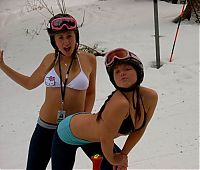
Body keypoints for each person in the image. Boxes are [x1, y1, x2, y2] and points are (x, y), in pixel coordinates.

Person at [0, 13, 114, 170]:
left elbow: (90, 92)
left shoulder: (89, 60)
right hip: (46, 127)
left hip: (74, 128)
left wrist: (84, 118)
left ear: (76, 36)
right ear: (54, 41)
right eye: (60, 37)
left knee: (111, 162)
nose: (66, 42)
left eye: (69, 36)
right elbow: (29, 83)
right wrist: (3, 66)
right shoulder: (49, 59)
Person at [51, 48, 158, 169]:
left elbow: (139, 130)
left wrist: (123, 155)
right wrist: (114, 159)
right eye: (117, 72)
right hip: (67, 133)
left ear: (138, 71)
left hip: (95, 137)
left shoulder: (150, 97)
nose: (122, 73)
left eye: (127, 69)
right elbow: (106, 139)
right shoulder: (120, 103)